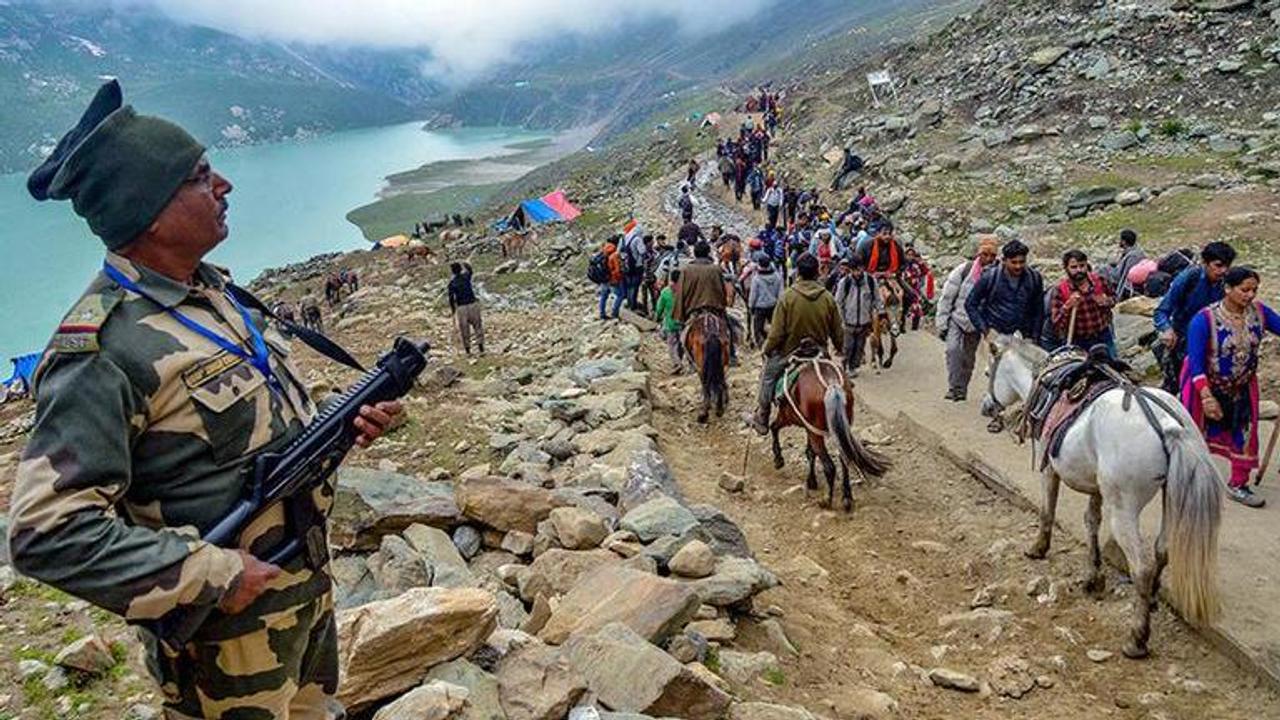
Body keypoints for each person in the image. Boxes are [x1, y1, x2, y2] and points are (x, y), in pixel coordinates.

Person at [8, 80, 401, 719]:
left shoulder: (216, 295)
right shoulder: (104, 350)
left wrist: (341, 428)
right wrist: (212, 575)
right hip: (225, 649)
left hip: (303, 601)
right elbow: (46, 534)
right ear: (151, 210)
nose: (224, 187)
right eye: (200, 177)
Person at [1181, 266, 1279, 507]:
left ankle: (1238, 484)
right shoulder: (1204, 320)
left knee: (1245, 432)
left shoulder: (1260, 313)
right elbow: (1195, 361)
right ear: (1227, 289)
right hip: (1204, 384)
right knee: (1194, 433)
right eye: (1244, 290)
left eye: (1254, 290)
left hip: (1243, 384)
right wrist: (1206, 396)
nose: (1250, 295)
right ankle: (1186, 478)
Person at [750, 253, 844, 434]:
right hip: (819, 352)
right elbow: (837, 331)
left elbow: (776, 333)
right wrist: (839, 348)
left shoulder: (787, 297)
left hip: (790, 352)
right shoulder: (827, 297)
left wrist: (767, 349)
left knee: (767, 377)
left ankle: (763, 415)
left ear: (798, 273)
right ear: (817, 273)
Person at [1154, 241, 1236, 394]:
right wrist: (1166, 329)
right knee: (1183, 387)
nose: (1223, 271)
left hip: (1214, 343)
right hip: (1183, 343)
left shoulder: (1227, 283)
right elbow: (1161, 311)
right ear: (1205, 263)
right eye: (1218, 265)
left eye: (1227, 266)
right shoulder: (1189, 279)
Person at [936, 235, 1000, 401]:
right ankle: (953, 386)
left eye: (992, 256)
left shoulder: (996, 276)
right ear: (979, 254)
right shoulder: (964, 270)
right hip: (957, 318)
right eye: (985, 254)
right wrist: (942, 322)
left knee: (968, 357)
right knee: (952, 350)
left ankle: (962, 388)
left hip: (976, 322)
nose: (988, 259)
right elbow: (947, 296)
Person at [965, 239, 1044, 339]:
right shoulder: (989, 277)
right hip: (995, 334)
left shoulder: (1034, 278)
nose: (1018, 266)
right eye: (1014, 262)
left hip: (1022, 336)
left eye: (1021, 262)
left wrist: (1035, 337)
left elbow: (1038, 310)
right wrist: (985, 330)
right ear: (1004, 260)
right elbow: (970, 304)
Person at [1049, 250, 1115, 354]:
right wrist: (1067, 306)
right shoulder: (1060, 290)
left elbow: (1114, 299)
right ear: (1066, 268)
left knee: (1113, 366)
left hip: (1103, 335)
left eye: (1082, 266)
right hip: (1079, 341)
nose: (1079, 270)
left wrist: (1107, 301)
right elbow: (1056, 323)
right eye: (1074, 267)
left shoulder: (1100, 281)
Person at [834, 256, 883, 376]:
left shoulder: (871, 282)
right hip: (848, 322)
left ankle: (853, 367)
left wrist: (880, 312)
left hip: (864, 321)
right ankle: (845, 367)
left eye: (860, 269)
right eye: (854, 270)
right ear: (850, 270)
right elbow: (838, 302)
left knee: (859, 347)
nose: (858, 272)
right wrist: (841, 320)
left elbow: (877, 299)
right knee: (848, 347)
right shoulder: (845, 283)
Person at [449, 261, 484, 354]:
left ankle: (468, 350)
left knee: (464, 329)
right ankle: (481, 347)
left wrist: (453, 311)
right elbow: (470, 270)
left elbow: (451, 298)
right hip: (472, 304)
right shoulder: (466, 277)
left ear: (452, 271)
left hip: (461, 308)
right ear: (460, 269)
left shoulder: (452, 283)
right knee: (478, 326)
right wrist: (465, 263)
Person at [749, 255, 784, 348]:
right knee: (775, 328)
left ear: (759, 265)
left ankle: (761, 346)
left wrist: (751, 306)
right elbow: (781, 294)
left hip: (760, 307)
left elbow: (753, 295)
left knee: (757, 329)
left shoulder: (756, 278)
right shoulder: (778, 276)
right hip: (773, 306)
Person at [654, 270, 685, 373]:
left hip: (670, 323)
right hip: (682, 322)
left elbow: (659, 308)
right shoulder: (684, 290)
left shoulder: (665, 291)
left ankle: (677, 363)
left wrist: (657, 317)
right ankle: (680, 360)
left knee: (672, 344)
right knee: (681, 344)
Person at [1104, 229, 1145, 300]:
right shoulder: (1138, 252)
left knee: (1103, 269)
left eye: (1120, 240)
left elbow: (1123, 276)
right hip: (1123, 275)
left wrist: (1118, 296)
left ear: (1124, 241)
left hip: (1125, 284)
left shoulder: (1132, 256)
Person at [598, 239, 626, 320]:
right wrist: (618, 278)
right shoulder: (614, 255)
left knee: (603, 296)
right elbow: (617, 270)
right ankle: (614, 313)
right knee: (620, 295)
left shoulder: (603, 252)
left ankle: (602, 313)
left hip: (604, 279)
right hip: (612, 279)